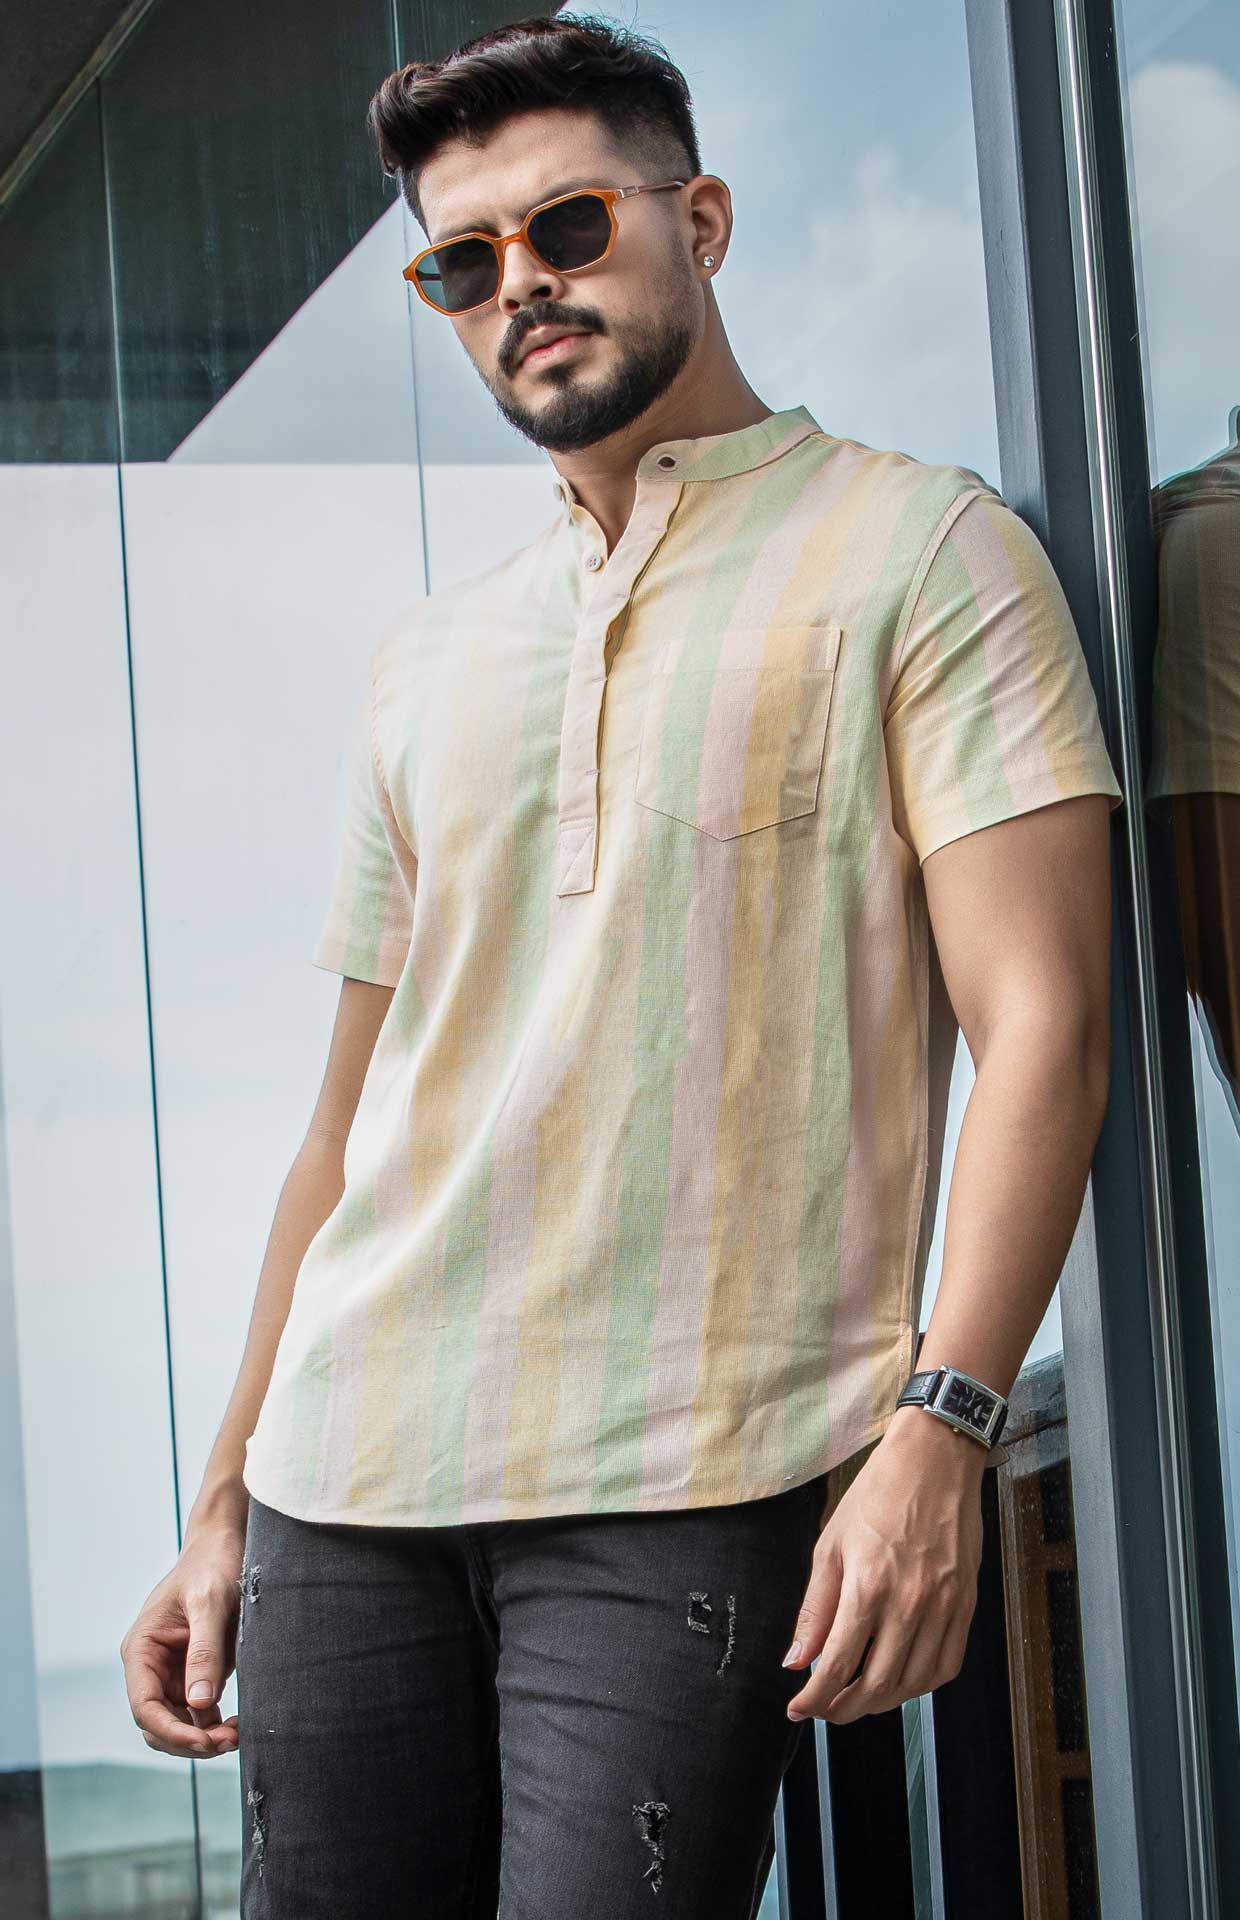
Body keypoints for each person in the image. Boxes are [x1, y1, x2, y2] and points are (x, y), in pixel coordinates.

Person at [119, 13, 1125, 1916]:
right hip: (349, 1481)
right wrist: (225, 1497)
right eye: (461, 264)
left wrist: (947, 1425)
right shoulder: (429, 662)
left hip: (688, 1473)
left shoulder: (923, 553)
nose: (520, 287)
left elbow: (1046, 1026)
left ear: (703, 221)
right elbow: (344, 1130)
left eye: (567, 227)